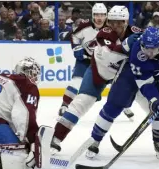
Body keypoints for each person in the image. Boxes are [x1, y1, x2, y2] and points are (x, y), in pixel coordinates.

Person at [87, 26, 159, 161]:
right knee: (114, 104)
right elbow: (145, 83)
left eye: (153, 49)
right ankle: (95, 139)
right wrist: (154, 100)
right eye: (146, 48)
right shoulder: (138, 54)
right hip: (131, 73)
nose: (149, 53)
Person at [51, 5, 142, 154]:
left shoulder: (136, 33)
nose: (116, 26)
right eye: (112, 22)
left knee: (148, 100)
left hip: (122, 76)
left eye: (120, 22)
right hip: (98, 72)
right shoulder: (103, 33)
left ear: (126, 21)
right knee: (81, 102)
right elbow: (111, 55)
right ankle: (55, 138)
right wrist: (127, 45)